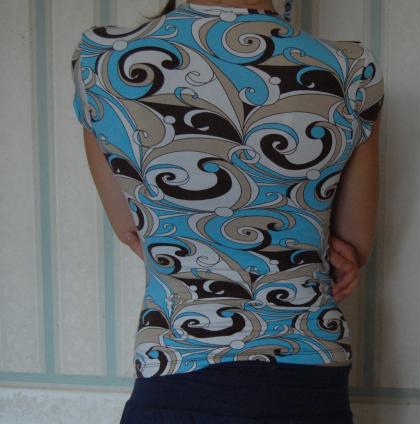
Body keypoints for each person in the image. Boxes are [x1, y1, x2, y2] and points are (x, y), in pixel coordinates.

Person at [70, 0, 384, 422]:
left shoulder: (100, 61)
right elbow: (353, 245)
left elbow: (132, 229)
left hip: (174, 367)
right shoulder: (350, 68)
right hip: (307, 372)